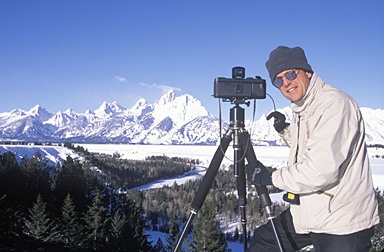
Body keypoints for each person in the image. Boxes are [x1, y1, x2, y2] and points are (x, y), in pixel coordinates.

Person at [246, 46, 379, 252]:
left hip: (341, 219)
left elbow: (320, 170)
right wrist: (286, 131)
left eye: (290, 73)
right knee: (265, 240)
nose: (286, 82)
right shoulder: (304, 106)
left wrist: (270, 178)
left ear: (307, 71)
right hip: (310, 209)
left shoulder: (334, 104)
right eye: (278, 80)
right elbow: (315, 146)